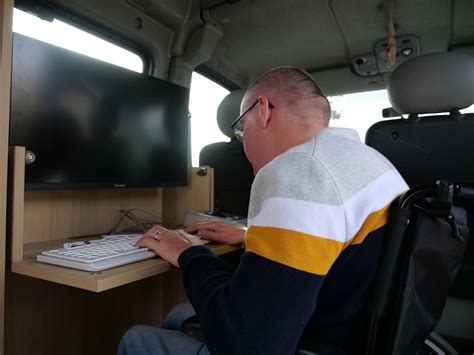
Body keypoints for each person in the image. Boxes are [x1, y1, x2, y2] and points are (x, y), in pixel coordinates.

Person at [118, 66, 407, 355]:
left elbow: (246, 345)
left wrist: (189, 253)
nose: (243, 145)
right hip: (354, 335)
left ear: (264, 110)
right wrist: (249, 236)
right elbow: (340, 247)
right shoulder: (369, 161)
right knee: (177, 316)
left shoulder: (299, 170)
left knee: (137, 338)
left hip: (311, 343)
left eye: (242, 129)